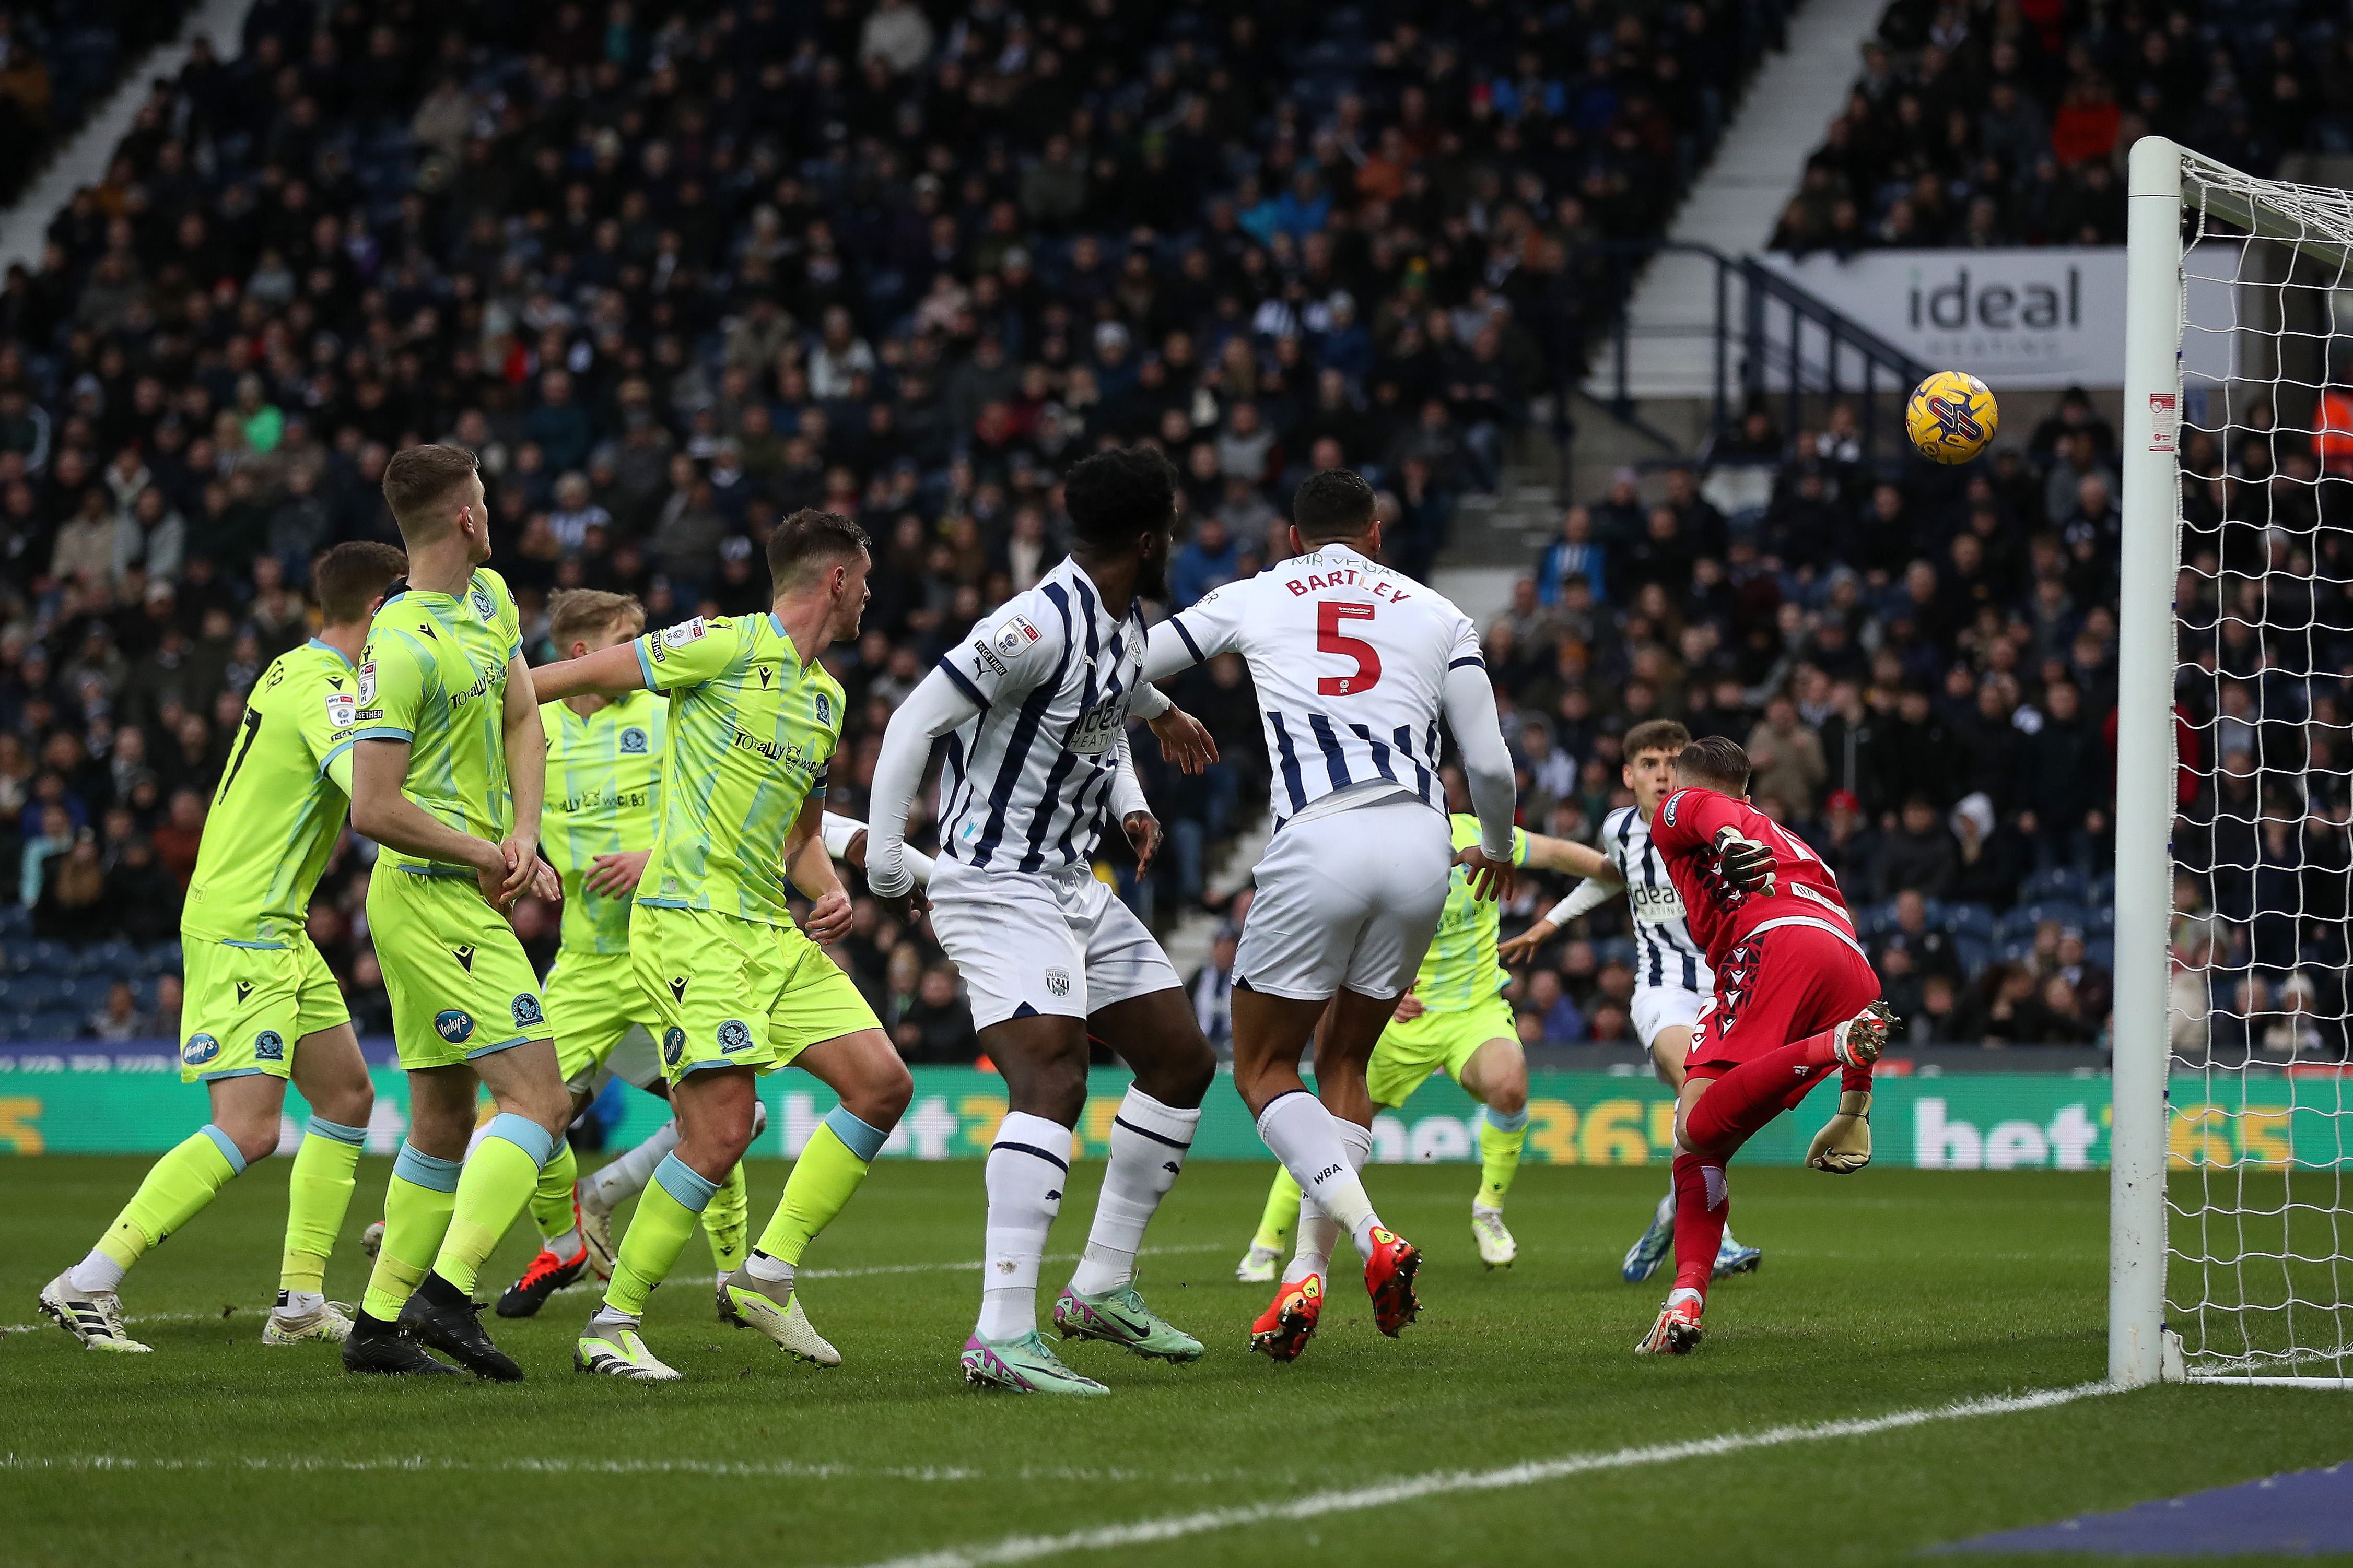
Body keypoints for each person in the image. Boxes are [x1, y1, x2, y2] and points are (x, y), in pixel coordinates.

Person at [864, 446, 1224, 1396]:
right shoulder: (1032, 623)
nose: (1176, 546)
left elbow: (1113, 699)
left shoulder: (1123, 622)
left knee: (1182, 1059)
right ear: (1147, 541)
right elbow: (913, 721)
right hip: (994, 882)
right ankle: (1000, 1331)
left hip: (1071, 878)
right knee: (1054, 1075)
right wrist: (887, 851)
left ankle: (1101, 1286)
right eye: (1172, 534)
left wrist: (1146, 762)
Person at [1138, 467, 1518, 1362]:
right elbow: (1492, 764)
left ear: (1295, 538)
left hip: (1322, 836)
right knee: (1345, 1055)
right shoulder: (1438, 611)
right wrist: (1495, 846)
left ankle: (1371, 1232)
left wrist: (1159, 712)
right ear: (1377, 535)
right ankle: (1302, 1271)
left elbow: (1127, 664)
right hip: (1425, 845)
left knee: (1265, 1064)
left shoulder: (1258, 592)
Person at [529, 510, 906, 1382]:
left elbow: (801, 833)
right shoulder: (723, 644)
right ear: (836, 579)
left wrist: (831, 887)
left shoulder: (829, 696)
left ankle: (766, 1274)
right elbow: (570, 676)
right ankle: (612, 1324)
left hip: (766, 927)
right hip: (687, 922)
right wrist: (486, 697)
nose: (870, 598)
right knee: (723, 1129)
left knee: (883, 1083)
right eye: (866, 580)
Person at [38, 541, 408, 1354]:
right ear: (377, 612)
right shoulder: (327, 688)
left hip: (276, 920)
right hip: (245, 923)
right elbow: (373, 799)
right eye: (405, 609)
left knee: (347, 1094)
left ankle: (301, 1298)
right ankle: (89, 1280)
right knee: (248, 1128)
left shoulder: (292, 665)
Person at [343, 444, 572, 1381]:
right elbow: (372, 805)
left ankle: (376, 1327)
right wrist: (485, 851)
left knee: (441, 1119)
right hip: (431, 898)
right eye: (485, 495)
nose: (494, 508)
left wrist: (524, 829)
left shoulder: (491, 599)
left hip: (475, 885)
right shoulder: (397, 645)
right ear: (465, 518)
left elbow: (523, 713)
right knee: (542, 1100)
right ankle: (447, 1289)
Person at [1235, 765, 1613, 1298]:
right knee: (1327, 1129)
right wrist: (1375, 989)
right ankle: (1266, 1244)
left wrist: (1621, 868)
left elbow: (1557, 854)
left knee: (1509, 1085)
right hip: (1393, 1017)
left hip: (1472, 1012)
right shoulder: (1370, 851)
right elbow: (1333, 935)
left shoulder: (1476, 836)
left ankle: (1488, 1211)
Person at [1632, 736, 1892, 1354]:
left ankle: (1828, 1046)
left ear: (1677, 783)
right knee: (1701, 1147)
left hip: (1773, 950)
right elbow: (1843, 962)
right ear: (1749, 795)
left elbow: (1702, 813)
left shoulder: (1678, 812)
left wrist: (1726, 841)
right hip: (1850, 968)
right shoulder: (1795, 843)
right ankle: (1684, 1301)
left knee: (1694, 1126)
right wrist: (1852, 1107)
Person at [1501, 719, 1763, 1286]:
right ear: (1628, 774)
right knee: (1694, 1081)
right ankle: (1713, 1240)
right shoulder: (1619, 829)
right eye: (1649, 763)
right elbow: (1607, 877)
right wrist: (1546, 926)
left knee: (1708, 1116)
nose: (1662, 773)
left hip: (1726, 988)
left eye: (1672, 761)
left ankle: (1671, 1214)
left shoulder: (1719, 827)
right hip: (1662, 988)